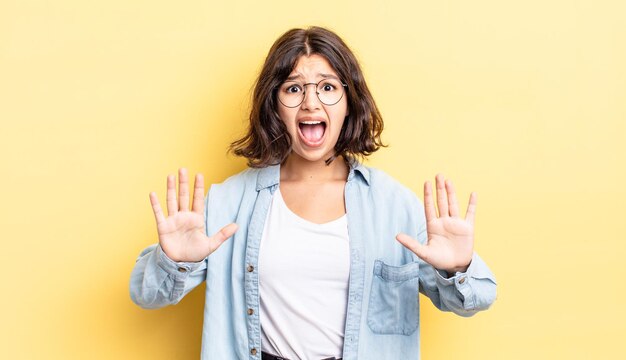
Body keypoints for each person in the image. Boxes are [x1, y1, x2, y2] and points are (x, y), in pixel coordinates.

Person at [130, 26, 497, 360]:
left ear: (349, 100)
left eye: (327, 87)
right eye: (293, 88)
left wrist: (457, 268)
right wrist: (173, 259)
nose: (310, 102)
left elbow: (475, 298)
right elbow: (147, 295)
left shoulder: (394, 205)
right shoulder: (228, 202)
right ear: (274, 103)